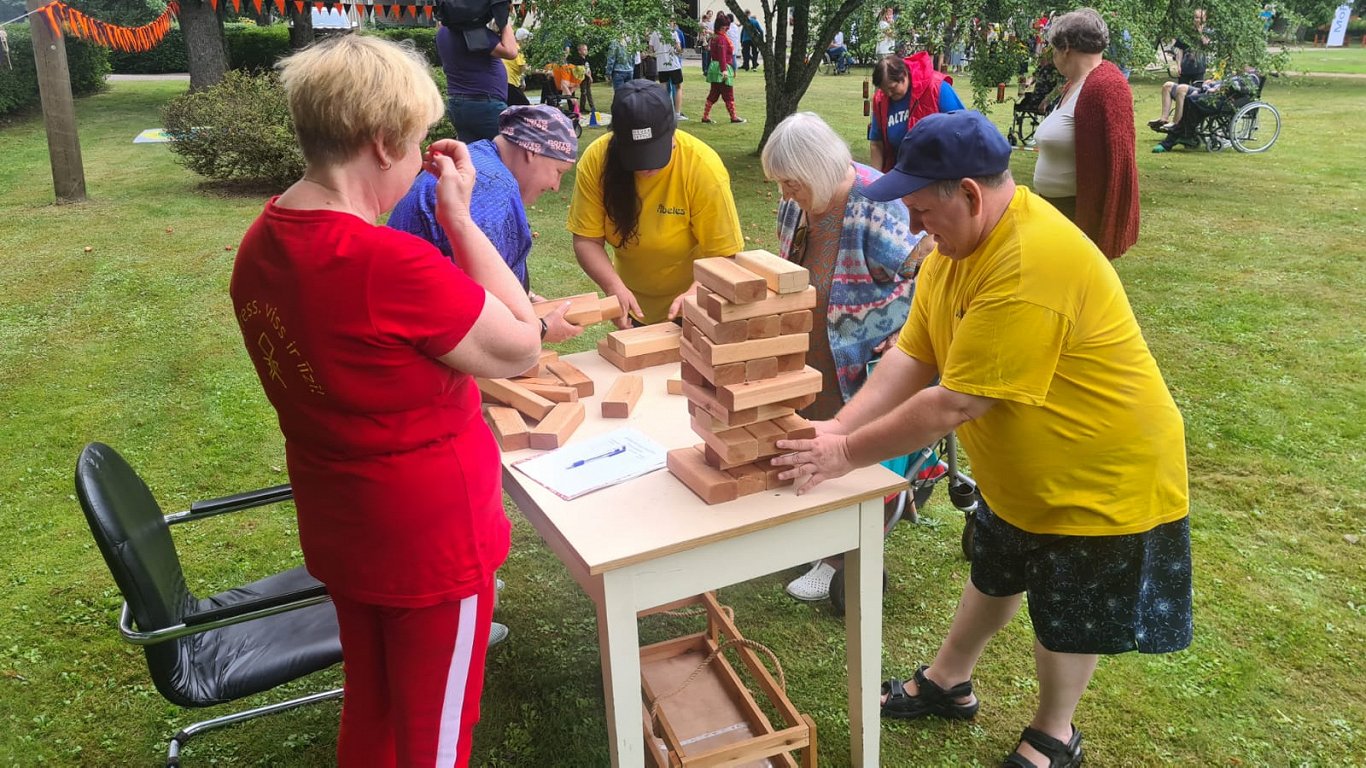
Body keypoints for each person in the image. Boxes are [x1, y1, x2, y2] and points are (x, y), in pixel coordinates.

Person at [772, 110, 1191, 768]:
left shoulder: (1028, 264)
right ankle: (948, 682)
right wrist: (839, 425)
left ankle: (1055, 734)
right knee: (995, 572)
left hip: (1099, 473)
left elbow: (956, 400)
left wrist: (845, 455)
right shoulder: (956, 248)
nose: (912, 229)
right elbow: (913, 356)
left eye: (921, 211)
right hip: (1024, 473)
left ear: (969, 193)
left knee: (1066, 609)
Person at [230, 36, 543, 766]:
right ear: (380, 144)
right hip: (430, 548)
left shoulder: (260, 245)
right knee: (436, 737)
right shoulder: (386, 265)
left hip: (345, 527)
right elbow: (522, 344)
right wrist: (461, 220)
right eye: (412, 149)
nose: (415, 168)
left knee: (373, 710)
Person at [761, 112, 931, 600]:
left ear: (814, 170)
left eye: (791, 183)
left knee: (854, 449)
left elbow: (934, 267)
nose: (785, 195)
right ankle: (815, 531)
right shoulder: (799, 203)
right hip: (813, 351)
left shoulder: (878, 203)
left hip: (862, 361)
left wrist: (911, 333)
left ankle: (840, 560)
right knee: (811, 436)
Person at [389, 104, 583, 344]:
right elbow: (476, 295)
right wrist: (541, 329)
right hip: (418, 334)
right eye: (558, 171)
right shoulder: (492, 185)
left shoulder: (479, 160)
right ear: (532, 152)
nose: (555, 185)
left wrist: (527, 297)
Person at [568, 80, 744, 326]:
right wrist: (614, 288)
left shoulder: (703, 168)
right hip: (633, 305)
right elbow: (587, 239)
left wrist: (697, 292)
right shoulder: (596, 161)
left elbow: (726, 254)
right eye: (636, 156)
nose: (647, 166)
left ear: (672, 132)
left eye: (654, 153)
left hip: (696, 305)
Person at [1033, 7, 1139, 260]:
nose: (1053, 56)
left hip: (1077, 213)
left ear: (1066, 47)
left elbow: (1120, 163)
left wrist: (1104, 229)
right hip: (1054, 208)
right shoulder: (1075, 85)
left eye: (1053, 49)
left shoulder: (1107, 86)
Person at [868, 51, 965, 173]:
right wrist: (874, 178)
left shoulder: (936, 87)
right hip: (900, 171)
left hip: (938, 171)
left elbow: (963, 128)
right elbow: (877, 143)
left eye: (892, 88)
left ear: (904, 75)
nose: (888, 94)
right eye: (884, 90)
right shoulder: (881, 99)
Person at [437, 4, 520, 142]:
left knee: (474, 157)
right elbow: (511, 51)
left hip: (458, 105)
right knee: (508, 154)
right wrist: (503, 21)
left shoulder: (443, 32)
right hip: (484, 105)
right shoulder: (473, 33)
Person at [703, 14, 745, 124]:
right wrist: (724, 70)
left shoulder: (716, 37)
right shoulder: (721, 39)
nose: (728, 29)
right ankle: (733, 116)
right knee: (728, 93)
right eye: (726, 27)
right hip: (723, 67)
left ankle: (705, 116)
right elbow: (722, 55)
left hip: (715, 68)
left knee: (714, 93)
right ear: (723, 27)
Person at [650, 21, 687, 121]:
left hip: (661, 65)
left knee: (663, 89)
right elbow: (678, 48)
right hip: (674, 64)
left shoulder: (655, 33)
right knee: (678, 87)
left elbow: (651, 49)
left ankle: (665, 112)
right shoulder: (672, 32)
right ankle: (677, 113)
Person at [504, 27, 532, 106]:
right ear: (522, 40)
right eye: (527, 40)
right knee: (525, 106)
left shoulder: (511, 47)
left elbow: (520, 70)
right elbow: (525, 69)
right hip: (510, 83)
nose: (528, 42)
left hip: (505, 81)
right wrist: (545, 71)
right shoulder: (518, 50)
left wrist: (522, 81)